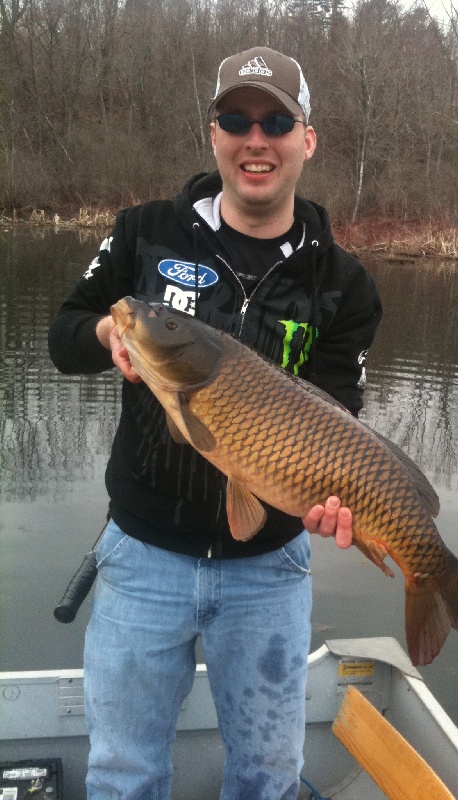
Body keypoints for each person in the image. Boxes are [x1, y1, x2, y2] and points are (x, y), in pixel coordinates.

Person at [48, 46, 382, 800]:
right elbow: (64, 334)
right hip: (140, 555)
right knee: (123, 774)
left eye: (275, 121)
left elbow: (340, 417)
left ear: (307, 138)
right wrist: (107, 335)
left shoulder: (345, 285)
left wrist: (334, 507)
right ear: (213, 132)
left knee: (268, 778)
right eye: (236, 119)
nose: (254, 140)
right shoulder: (144, 232)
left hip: (269, 571)